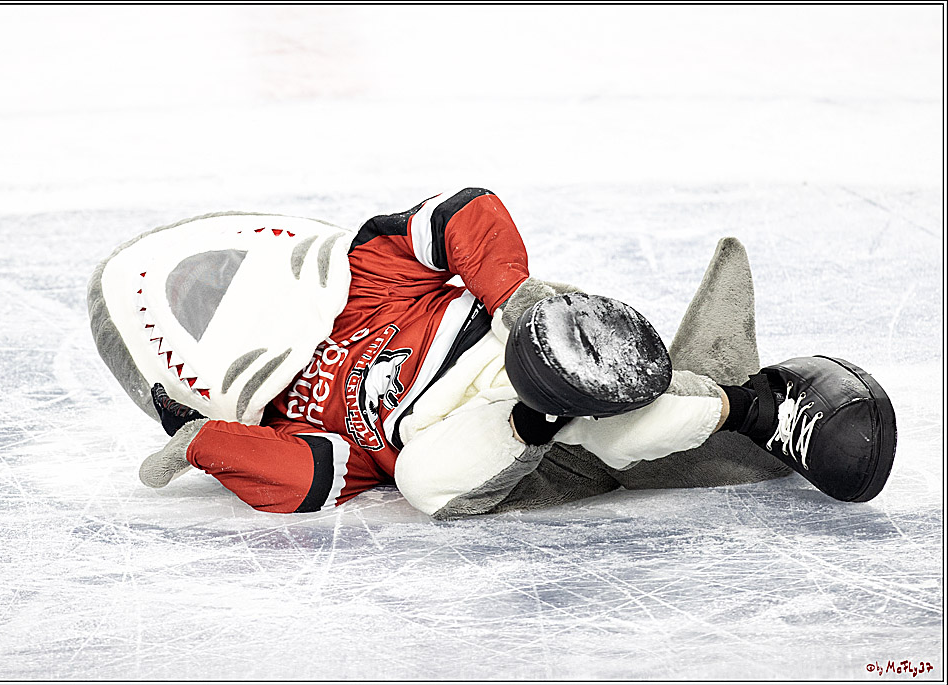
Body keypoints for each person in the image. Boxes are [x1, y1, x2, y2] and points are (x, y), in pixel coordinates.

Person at [138, 188, 897, 518]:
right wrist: (210, 443)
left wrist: (514, 299)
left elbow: (466, 210)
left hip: (516, 344)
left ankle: (756, 405)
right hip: (481, 435)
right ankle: (555, 414)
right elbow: (306, 479)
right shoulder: (289, 414)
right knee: (424, 485)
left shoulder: (354, 274)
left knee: (616, 428)